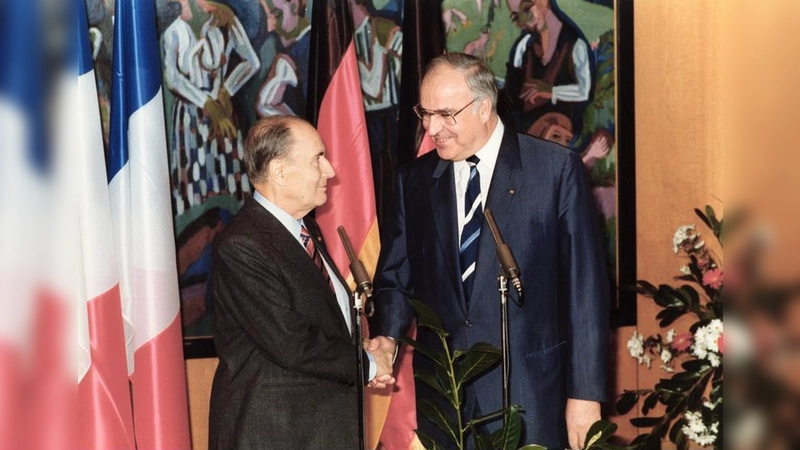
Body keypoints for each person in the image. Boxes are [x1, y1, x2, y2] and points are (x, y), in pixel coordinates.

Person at [369, 53, 608, 449]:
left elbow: (585, 293)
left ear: (484, 107)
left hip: (531, 396)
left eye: (446, 114)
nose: (431, 129)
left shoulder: (554, 170)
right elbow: (395, 277)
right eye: (424, 114)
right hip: (445, 401)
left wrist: (585, 395)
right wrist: (389, 338)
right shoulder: (414, 180)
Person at [208, 116, 395, 449]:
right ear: (280, 171)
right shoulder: (243, 244)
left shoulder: (304, 232)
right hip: (276, 434)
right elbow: (290, 343)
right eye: (317, 159)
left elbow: (321, 324)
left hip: (319, 431)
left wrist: (363, 349)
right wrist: (366, 364)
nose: (331, 170)